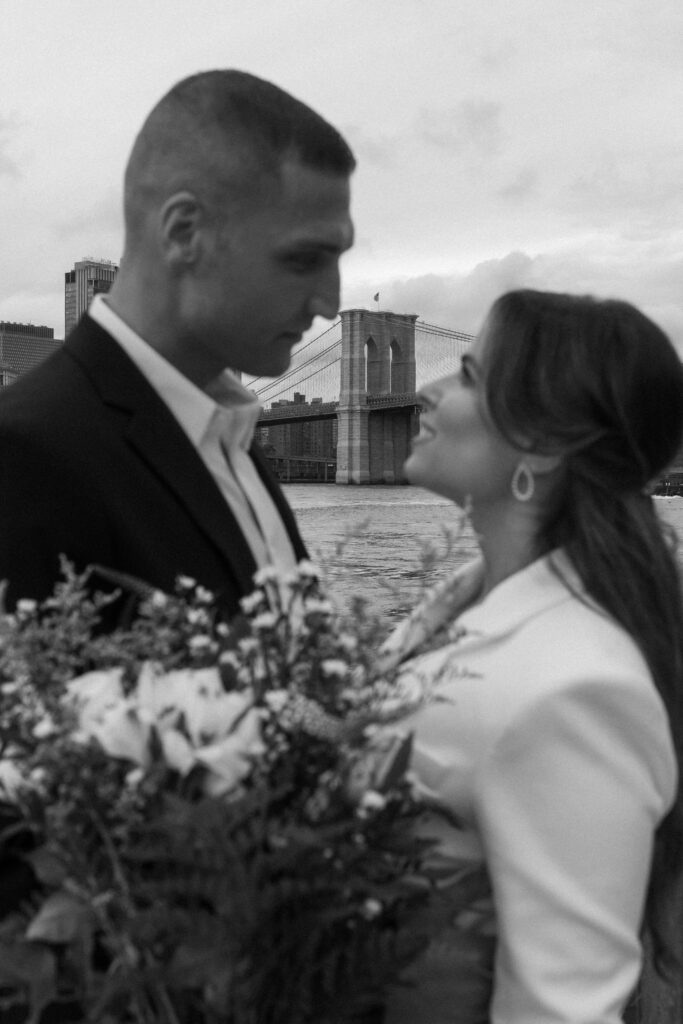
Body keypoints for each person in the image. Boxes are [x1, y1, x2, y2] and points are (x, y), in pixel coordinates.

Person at [378, 289, 683, 1023]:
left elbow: (560, 1011)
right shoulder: (465, 600)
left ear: (541, 448)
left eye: (469, 375)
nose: (426, 389)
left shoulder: (578, 690)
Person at [0, 70, 355, 616]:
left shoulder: (228, 434)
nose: (330, 302)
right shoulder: (21, 460)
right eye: (303, 259)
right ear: (184, 233)